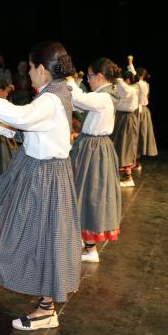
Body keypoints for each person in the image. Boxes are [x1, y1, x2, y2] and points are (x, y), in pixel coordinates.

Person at [0, 41, 81, 331]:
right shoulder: (54, 92)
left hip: (44, 175)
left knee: (42, 239)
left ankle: (47, 309)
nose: (27, 74)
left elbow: (24, 116)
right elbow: (38, 130)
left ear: (41, 69)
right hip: (32, 167)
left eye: (30, 68)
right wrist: (3, 130)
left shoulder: (51, 99)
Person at [69, 58, 122, 263]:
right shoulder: (104, 96)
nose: (88, 79)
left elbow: (78, 99)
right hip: (92, 146)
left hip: (94, 149)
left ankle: (90, 248)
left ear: (99, 76)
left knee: (91, 192)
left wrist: (70, 80)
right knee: (85, 190)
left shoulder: (103, 98)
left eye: (89, 76)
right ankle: (86, 242)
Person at [113, 70, 140, 187]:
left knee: (126, 147)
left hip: (127, 119)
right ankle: (122, 176)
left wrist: (117, 78)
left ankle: (128, 178)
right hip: (121, 118)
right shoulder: (125, 88)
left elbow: (123, 88)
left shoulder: (131, 89)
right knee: (119, 146)